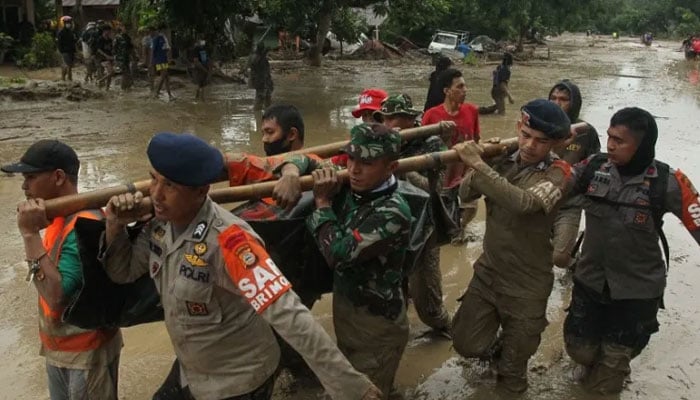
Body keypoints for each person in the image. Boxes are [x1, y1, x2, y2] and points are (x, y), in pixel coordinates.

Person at [102, 132, 380, 400]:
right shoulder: (160, 223)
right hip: (195, 369)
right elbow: (123, 271)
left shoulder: (232, 243)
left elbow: (291, 315)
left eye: (170, 186)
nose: (157, 194)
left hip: (238, 381)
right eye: (154, 180)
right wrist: (115, 223)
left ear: (201, 190)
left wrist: (352, 388)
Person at [563, 107, 700, 394]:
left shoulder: (668, 182)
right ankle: (598, 359)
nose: (610, 145)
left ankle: (615, 364)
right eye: (610, 137)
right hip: (590, 280)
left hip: (637, 292)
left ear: (642, 145)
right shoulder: (593, 167)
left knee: (606, 382)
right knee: (580, 352)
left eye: (620, 141)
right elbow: (556, 185)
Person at [451, 99, 572, 393]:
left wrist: (480, 165)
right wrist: (484, 161)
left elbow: (525, 204)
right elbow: (464, 193)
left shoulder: (560, 172)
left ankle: (511, 354)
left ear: (555, 143)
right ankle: (499, 347)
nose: (530, 145)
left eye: (541, 141)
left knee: (512, 375)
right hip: (489, 273)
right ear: (518, 127)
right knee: (465, 343)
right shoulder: (502, 160)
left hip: (527, 285)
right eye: (526, 135)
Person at [286, 124, 412, 398]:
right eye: (350, 158)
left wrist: (322, 203)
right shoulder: (354, 183)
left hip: (377, 327)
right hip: (348, 312)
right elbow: (305, 157)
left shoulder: (393, 211)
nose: (353, 169)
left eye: (366, 163)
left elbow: (339, 255)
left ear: (391, 167)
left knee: (368, 392)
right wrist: (291, 172)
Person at [2, 140, 123, 400]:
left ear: (58, 177)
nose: (24, 186)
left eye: (31, 177)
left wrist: (29, 235)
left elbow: (58, 297)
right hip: (61, 350)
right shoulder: (61, 217)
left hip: (87, 354)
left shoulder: (85, 226)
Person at [375, 94, 452, 336]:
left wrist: (402, 167)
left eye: (393, 119)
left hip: (424, 225)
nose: (388, 124)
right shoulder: (381, 141)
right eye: (384, 119)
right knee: (390, 289)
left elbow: (434, 190)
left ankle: (445, 326)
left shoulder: (430, 143)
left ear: (410, 119)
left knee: (427, 300)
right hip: (391, 223)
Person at [422, 68, 481, 242]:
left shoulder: (472, 111)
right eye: (460, 87)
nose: (465, 90)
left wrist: (475, 166)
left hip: (465, 172)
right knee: (440, 216)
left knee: (470, 206)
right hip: (442, 175)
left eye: (465, 86)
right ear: (447, 91)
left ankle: (461, 228)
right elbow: (421, 146)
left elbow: (476, 140)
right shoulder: (432, 115)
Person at [548, 79, 601, 268]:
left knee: (560, 258)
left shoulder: (585, 132)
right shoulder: (540, 127)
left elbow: (596, 166)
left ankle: (576, 266)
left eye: (563, 99)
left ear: (574, 103)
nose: (557, 103)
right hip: (539, 200)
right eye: (553, 98)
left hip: (569, 203)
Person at [151, 25, 173, 100]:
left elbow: (167, 49)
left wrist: (168, 57)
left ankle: (169, 94)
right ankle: (156, 93)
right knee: (163, 75)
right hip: (159, 60)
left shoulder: (164, 38)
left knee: (166, 77)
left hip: (164, 59)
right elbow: (153, 51)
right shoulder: (156, 39)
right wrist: (152, 62)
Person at [248, 42, 273, 110]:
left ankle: (267, 113)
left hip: (265, 81)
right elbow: (257, 62)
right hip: (260, 81)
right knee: (260, 98)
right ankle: (257, 114)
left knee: (268, 97)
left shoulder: (259, 57)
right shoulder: (256, 57)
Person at [113, 24, 136, 91]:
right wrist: (115, 58)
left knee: (128, 72)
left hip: (127, 57)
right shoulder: (117, 37)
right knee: (125, 72)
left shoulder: (127, 37)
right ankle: (123, 88)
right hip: (120, 58)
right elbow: (114, 48)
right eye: (124, 28)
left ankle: (127, 87)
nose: (126, 29)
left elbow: (131, 48)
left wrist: (134, 56)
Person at [56, 16, 77, 81]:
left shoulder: (71, 32)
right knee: (69, 66)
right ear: (64, 24)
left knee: (68, 66)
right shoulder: (61, 32)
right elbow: (59, 43)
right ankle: (69, 79)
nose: (69, 24)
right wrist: (61, 51)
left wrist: (75, 50)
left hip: (71, 51)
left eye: (69, 23)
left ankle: (63, 78)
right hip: (64, 51)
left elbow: (73, 42)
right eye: (67, 23)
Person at [95, 24, 115, 90]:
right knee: (111, 72)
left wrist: (112, 56)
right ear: (104, 31)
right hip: (102, 58)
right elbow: (98, 49)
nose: (109, 32)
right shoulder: (100, 39)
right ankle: (100, 81)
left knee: (110, 74)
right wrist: (106, 56)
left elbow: (111, 49)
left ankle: (107, 89)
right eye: (108, 31)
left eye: (110, 31)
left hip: (109, 58)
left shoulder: (110, 40)